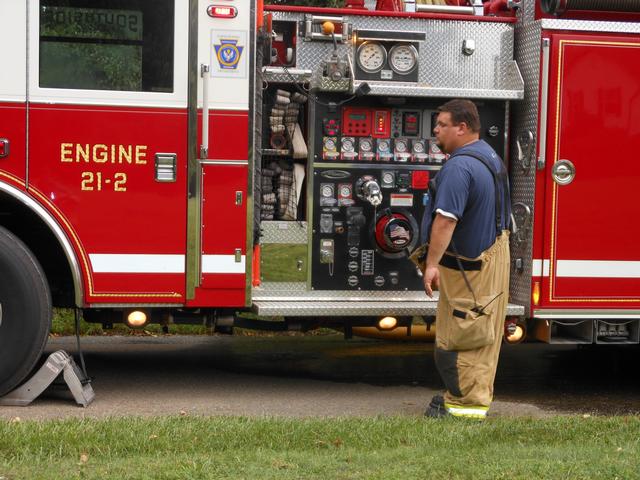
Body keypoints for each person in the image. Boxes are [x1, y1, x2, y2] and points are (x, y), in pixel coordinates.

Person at [420, 99, 510, 419]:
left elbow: (445, 220)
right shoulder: (489, 156)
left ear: (462, 127)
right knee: (482, 335)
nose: (435, 130)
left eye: (441, 124)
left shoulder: (459, 166)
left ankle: (463, 409)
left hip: (470, 271)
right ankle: (468, 399)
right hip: (492, 264)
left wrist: (431, 264)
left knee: (464, 335)